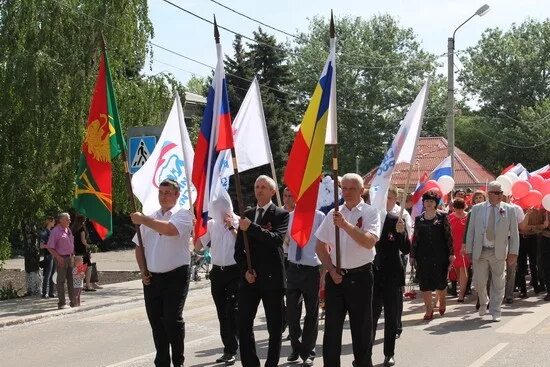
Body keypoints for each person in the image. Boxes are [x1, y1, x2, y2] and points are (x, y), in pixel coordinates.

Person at [315, 173, 380, 367]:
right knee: (332, 330)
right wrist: (331, 270)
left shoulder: (369, 212)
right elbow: (319, 246)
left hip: (361, 277)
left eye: (352, 188)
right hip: (337, 278)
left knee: (361, 329)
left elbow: (369, 242)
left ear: (361, 191)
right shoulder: (333, 214)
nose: (348, 192)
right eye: (344, 188)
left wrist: (345, 225)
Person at [131, 179, 193, 367]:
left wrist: (143, 220)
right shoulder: (150, 217)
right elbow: (139, 246)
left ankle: (178, 361)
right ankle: (162, 361)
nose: (163, 196)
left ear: (177, 195)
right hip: (153, 277)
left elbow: (169, 230)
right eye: (161, 192)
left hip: (176, 275)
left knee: (172, 319)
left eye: (168, 193)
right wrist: (143, 270)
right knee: (156, 322)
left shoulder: (183, 215)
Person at [234, 175, 289, 367]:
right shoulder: (246, 214)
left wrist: (253, 227)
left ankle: (271, 364)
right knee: (243, 324)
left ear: (273, 191)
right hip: (250, 279)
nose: (259, 190)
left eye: (264, 187)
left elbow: (276, 240)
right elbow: (238, 250)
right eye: (257, 186)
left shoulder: (280, 214)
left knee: (275, 327)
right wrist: (245, 271)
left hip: (272, 279)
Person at [465, 181, 519, 322]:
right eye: (496, 193)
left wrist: (514, 252)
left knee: (498, 282)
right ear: (489, 194)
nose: (500, 195)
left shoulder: (509, 209)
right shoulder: (477, 209)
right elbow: (471, 231)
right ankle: (483, 302)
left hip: (498, 251)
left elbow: (514, 233)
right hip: (480, 251)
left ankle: (495, 310)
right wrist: (469, 250)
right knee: (480, 282)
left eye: (501, 192)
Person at [195, 197, 239, 366]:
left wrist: (231, 226)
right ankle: (228, 347)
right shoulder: (212, 225)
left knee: (231, 310)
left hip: (235, 272)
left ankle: (232, 347)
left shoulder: (238, 222)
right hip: (218, 273)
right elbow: (199, 247)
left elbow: (242, 244)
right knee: (222, 312)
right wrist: (197, 227)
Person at [285, 190, 324, 366]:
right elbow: (285, 242)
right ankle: (296, 346)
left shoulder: (319, 216)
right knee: (292, 313)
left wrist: (324, 271)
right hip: (293, 268)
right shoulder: (289, 216)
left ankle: (308, 351)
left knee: (311, 313)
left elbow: (325, 244)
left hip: (311, 269)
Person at [372, 189, 410, 367]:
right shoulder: (367, 219)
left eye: (388, 198)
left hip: (392, 273)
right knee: (369, 316)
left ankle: (389, 353)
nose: (384, 201)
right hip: (371, 273)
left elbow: (406, 248)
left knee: (391, 314)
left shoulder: (396, 220)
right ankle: (365, 353)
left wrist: (402, 233)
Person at [410, 190, 453, 320]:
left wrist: (451, 253)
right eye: (427, 201)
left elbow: (448, 237)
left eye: (431, 201)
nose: (429, 203)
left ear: (436, 203)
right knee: (425, 284)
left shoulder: (443, 217)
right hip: (423, 256)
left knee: (440, 282)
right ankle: (429, 309)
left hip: (440, 255)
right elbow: (415, 238)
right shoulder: (419, 219)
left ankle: (442, 301)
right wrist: (412, 255)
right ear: (423, 203)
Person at [46, 212, 75, 309]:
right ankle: (62, 303)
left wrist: (73, 256)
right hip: (61, 258)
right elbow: (50, 247)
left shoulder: (68, 230)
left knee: (71, 280)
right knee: (61, 281)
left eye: (69, 219)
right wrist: (58, 257)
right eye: (67, 219)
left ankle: (73, 302)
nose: (69, 221)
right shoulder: (55, 231)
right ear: (61, 220)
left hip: (70, 258)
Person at [448, 198, 470, 302]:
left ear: (464, 206)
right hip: (453, 247)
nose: (459, 211)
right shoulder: (450, 217)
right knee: (457, 269)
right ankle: (461, 287)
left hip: (465, 246)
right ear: (454, 208)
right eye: (457, 208)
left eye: (461, 208)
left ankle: (461, 294)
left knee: (463, 268)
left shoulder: (468, 217)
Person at [71, 214, 96, 292]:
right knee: (88, 267)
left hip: (76, 250)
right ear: (82, 220)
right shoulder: (82, 229)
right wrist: (89, 246)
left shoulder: (73, 229)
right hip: (82, 250)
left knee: (79, 267)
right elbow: (83, 241)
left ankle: (78, 285)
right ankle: (87, 285)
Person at [39, 216, 56, 298]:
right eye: (53, 221)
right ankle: (44, 293)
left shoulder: (52, 231)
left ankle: (51, 292)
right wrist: (49, 246)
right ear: (49, 222)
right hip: (48, 255)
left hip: (54, 255)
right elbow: (41, 246)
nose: (54, 223)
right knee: (47, 274)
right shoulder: (44, 232)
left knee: (53, 274)